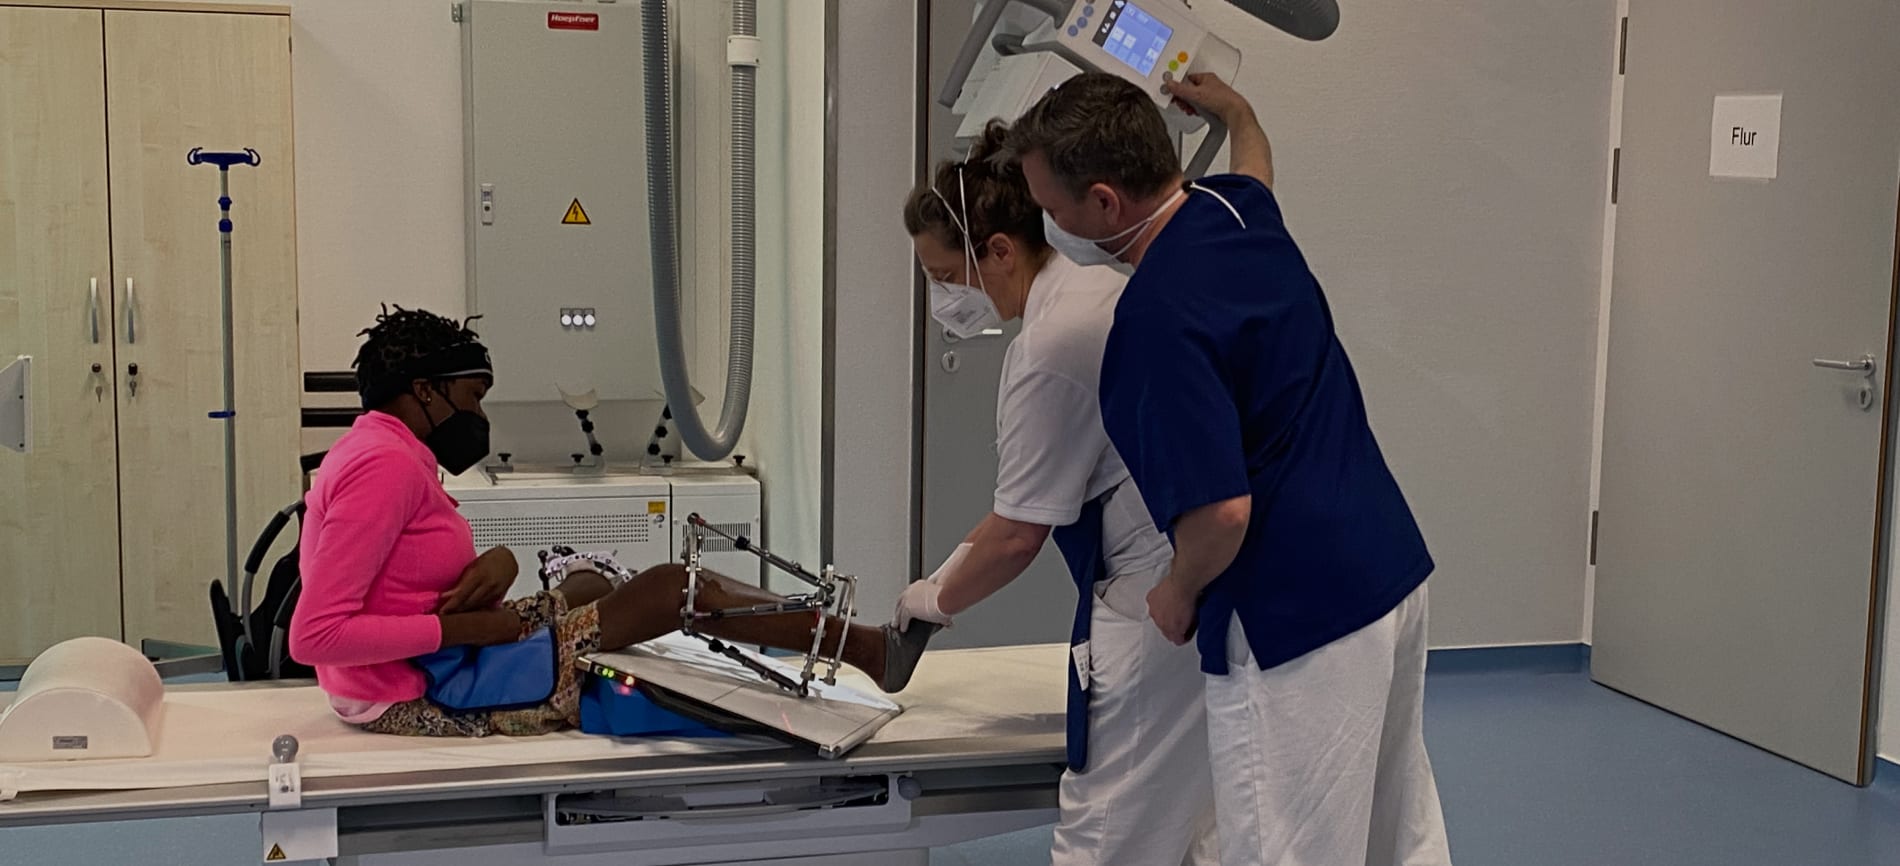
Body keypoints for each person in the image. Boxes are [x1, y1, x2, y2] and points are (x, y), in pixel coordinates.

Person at [1005, 72, 1454, 866]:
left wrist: (1176, 593)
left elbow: (1222, 515)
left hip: (1295, 615)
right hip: (1386, 567)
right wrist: (1236, 109)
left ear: (1104, 202)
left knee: (1288, 846)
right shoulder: (1232, 210)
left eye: (1053, 208)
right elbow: (1256, 161)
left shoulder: (1155, 319)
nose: (1050, 225)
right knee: (1396, 830)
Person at [290, 306, 934, 738]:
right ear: (425, 389)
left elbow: (402, 572)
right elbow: (316, 635)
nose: (480, 416)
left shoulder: (387, 452)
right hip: (420, 691)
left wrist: (498, 563)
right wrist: (466, 627)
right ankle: (866, 650)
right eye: (473, 397)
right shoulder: (383, 466)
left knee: (593, 582)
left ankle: (840, 644)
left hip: (439, 658)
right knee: (672, 588)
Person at [894, 123, 1216, 866]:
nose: (942, 299)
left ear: (1000, 251)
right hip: (1191, 581)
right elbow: (1020, 506)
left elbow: (1018, 535)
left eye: (944, 276)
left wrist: (936, 600)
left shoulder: (1048, 347)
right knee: (1199, 823)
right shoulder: (1096, 286)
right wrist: (941, 577)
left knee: (1106, 835)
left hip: (1154, 596)